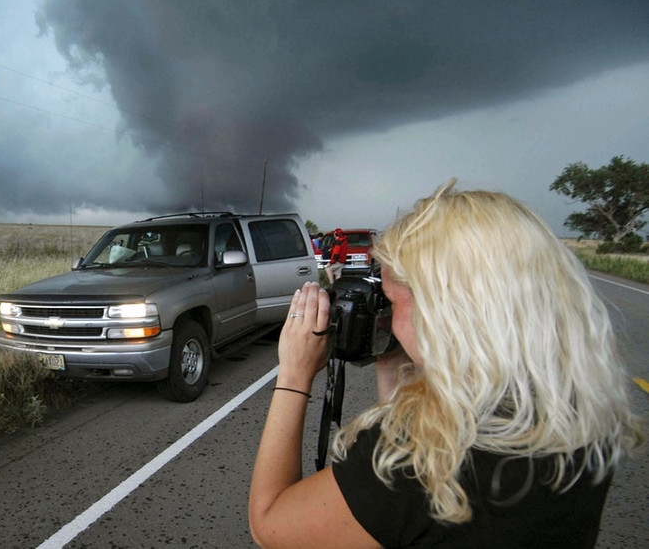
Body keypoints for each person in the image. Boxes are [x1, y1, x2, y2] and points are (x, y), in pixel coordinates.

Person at [249, 181, 643, 548]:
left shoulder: (425, 456)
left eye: (394, 301)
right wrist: (392, 355)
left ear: (442, 312)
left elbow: (269, 524)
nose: (391, 316)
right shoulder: (577, 407)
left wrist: (294, 374)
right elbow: (409, 521)